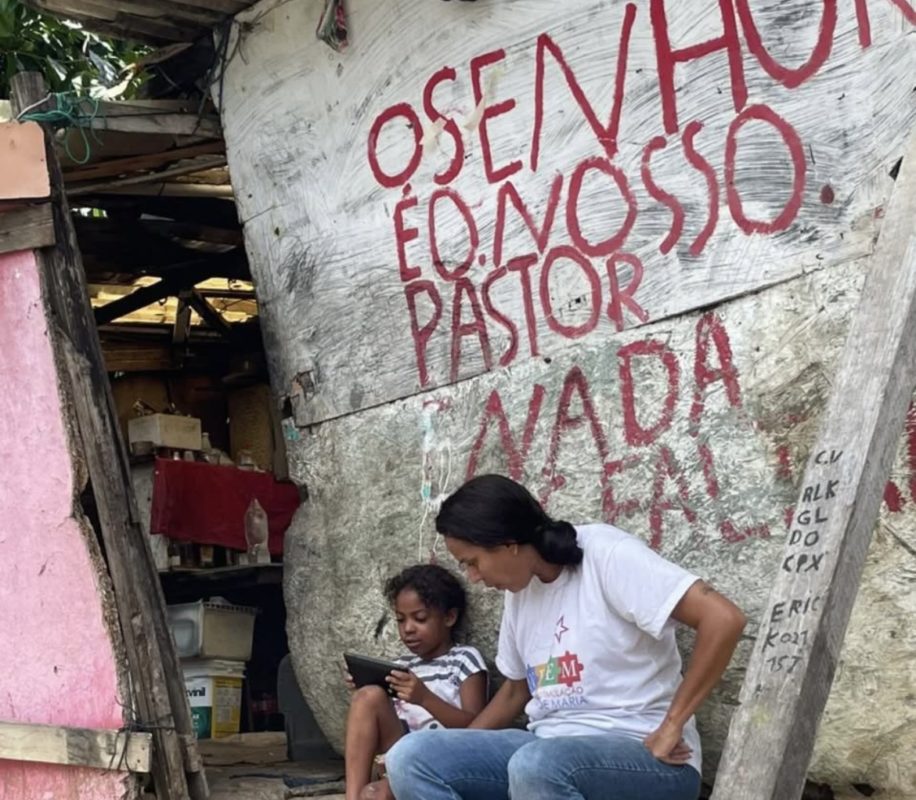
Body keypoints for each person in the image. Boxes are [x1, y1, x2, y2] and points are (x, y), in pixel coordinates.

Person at [385, 474, 747, 800]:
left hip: (645, 756)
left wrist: (672, 726)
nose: (473, 577)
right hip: (545, 754)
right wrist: (458, 750)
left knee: (536, 764)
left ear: (508, 543)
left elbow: (723, 619)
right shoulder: (519, 591)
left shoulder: (605, 554)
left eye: (472, 561)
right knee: (411, 756)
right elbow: (514, 691)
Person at [344, 563, 488, 800]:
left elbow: (476, 729)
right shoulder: (401, 666)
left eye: (419, 618)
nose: (408, 629)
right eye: (401, 620)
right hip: (398, 753)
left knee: (374, 795)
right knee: (367, 696)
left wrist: (424, 698)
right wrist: (364, 686)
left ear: (449, 617)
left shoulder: (464, 660)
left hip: (441, 762)